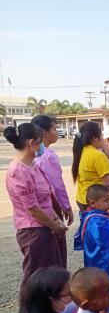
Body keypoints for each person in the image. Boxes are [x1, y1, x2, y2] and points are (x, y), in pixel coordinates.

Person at [4, 123, 68, 289]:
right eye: (40, 142)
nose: (42, 147)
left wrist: (55, 218)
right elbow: (32, 208)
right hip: (34, 231)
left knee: (50, 274)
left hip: (45, 226)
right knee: (35, 277)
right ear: (31, 143)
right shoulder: (19, 171)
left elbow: (44, 199)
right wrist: (55, 226)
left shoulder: (32, 165)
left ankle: (47, 309)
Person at [32, 115, 74, 227]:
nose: (57, 132)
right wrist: (66, 206)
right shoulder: (48, 156)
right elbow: (57, 185)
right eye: (54, 129)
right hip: (49, 205)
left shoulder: (33, 152)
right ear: (45, 133)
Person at [72, 121, 109, 211]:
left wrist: (103, 145)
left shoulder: (82, 151)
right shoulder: (98, 156)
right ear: (95, 138)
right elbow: (108, 183)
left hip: (82, 199)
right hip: (96, 202)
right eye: (101, 135)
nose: (103, 138)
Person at [79, 184, 109, 287]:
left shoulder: (95, 215)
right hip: (101, 259)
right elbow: (104, 236)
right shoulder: (95, 221)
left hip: (98, 256)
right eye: (106, 200)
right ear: (93, 203)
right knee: (103, 282)